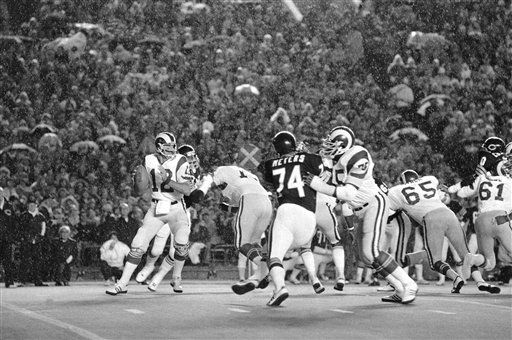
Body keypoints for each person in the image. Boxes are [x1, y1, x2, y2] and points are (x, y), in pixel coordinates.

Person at [306, 126, 418, 304]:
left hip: (375, 202)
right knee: (364, 256)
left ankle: (409, 284)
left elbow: (348, 193)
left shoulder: (357, 155)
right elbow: (325, 177)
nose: (327, 146)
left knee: (371, 251)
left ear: (342, 144)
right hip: (360, 210)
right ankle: (398, 286)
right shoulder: (336, 163)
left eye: (331, 143)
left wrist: (318, 184)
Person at [106, 132, 194, 295]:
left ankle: (176, 277)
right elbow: (141, 191)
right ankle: (122, 283)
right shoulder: (149, 160)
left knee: (181, 244)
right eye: (168, 147)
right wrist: (137, 182)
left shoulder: (180, 160)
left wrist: (168, 180)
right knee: (138, 245)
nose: (172, 150)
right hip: (156, 208)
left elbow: (188, 189)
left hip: (176, 209)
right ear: (159, 147)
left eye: (173, 147)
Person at [259, 130, 324, 306]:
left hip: (287, 211)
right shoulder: (310, 159)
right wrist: (305, 154)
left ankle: (279, 287)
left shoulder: (271, 164)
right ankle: (313, 278)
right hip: (309, 218)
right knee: (303, 248)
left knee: (275, 256)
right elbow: (321, 168)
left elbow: (265, 174)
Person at [136, 144, 210, 291]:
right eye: (189, 157)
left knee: (175, 251)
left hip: (183, 212)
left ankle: (159, 277)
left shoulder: (195, 172)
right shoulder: (175, 168)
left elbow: (194, 198)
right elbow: (194, 195)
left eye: (193, 156)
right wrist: (204, 185)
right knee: (157, 250)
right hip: (167, 207)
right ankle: (149, 266)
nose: (193, 159)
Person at [455, 164, 511, 292]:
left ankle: (472, 258)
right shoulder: (509, 181)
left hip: (481, 220)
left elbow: (461, 192)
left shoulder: (482, 179)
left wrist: (473, 178)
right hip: (500, 218)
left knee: (489, 263)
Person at [18, 196, 48, 286]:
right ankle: (23, 281)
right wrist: (26, 239)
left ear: (36, 205)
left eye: (33, 204)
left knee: (37, 261)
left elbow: (43, 228)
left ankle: (38, 280)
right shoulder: (24, 215)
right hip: (27, 241)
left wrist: (39, 238)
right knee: (25, 261)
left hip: (37, 241)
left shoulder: (40, 216)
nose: (32, 206)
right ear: (27, 206)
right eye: (30, 205)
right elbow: (21, 229)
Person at [0, 187, 17, 288]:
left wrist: (13, 236)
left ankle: (9, 281)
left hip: (6, 238)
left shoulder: (9, 206)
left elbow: (14, 222)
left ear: (3, 193)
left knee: (7, 260)